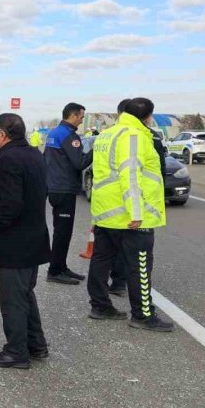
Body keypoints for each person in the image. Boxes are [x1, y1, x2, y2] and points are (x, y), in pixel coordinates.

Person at [87, 97, 174, 332]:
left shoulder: (107, 134)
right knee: (140, 265)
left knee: (101, 259)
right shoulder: (133, 136)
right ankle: (143, 315)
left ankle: (100, 306)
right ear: (147, 117)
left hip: (106, 211)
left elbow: (99, 173)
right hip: (129, 215)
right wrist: (136, 211)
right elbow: (130, 174)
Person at [0, 113, 51, 370]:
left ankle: (16, 351)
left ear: (3, 134)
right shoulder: (33, 154)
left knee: (12, 299)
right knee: (24, 294)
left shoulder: (8, 159)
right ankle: (36, 344)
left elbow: (9, 205)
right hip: (33, 238)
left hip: (15, 243)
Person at [44, 103, 93, 285]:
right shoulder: (69, 136)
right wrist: (96, 151)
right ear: (72, 116)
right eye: (81, 117)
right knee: (63, 233)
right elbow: (79, 162)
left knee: (61, 231)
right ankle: (55, 270)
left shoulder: (55, 133)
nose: (81, 121)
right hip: (64, 189)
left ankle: (61, 266)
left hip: (55, 187)